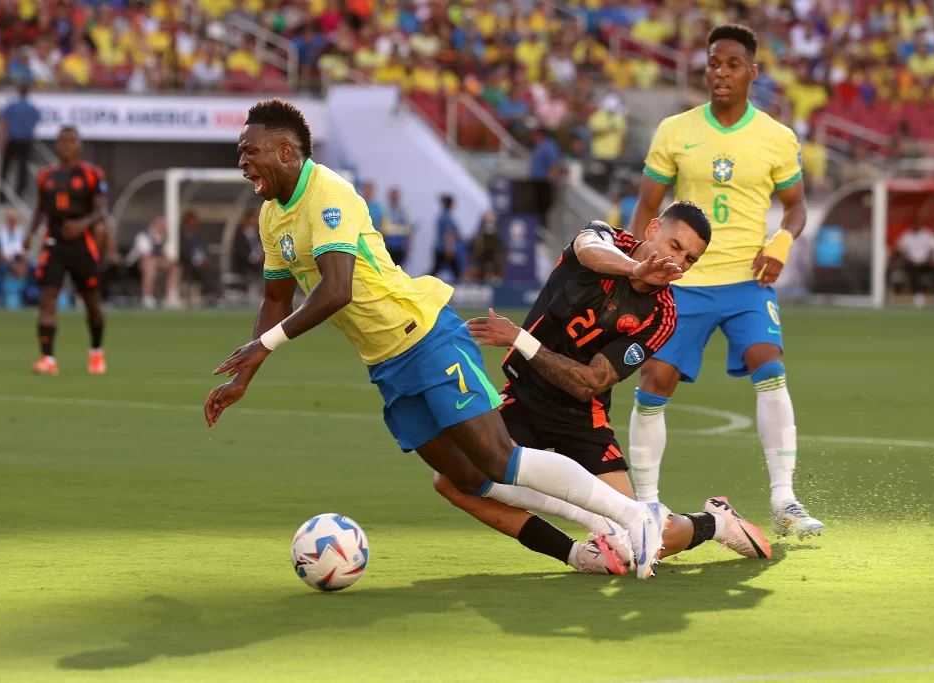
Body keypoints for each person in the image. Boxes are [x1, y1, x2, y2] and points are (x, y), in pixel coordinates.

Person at [204, 97, 685, 580]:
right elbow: (274, 301)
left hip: (425, 335)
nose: (242, 161)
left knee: (499, 458)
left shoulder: (329, 192)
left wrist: (263, 345)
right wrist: (246, 370)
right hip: (386, 363)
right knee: (464, 477)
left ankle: (632, 516)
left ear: (287, 152)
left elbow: (335, 290)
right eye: (241, 151)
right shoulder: (272, 218)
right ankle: (585, 549)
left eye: (251, 151)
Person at [439, 211, 771, 574]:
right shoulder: (604, 239)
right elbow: (587, 249)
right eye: (675, 246)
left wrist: (520, 338)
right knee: (454, 480)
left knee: (632, 542)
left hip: (580, 419)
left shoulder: (662, 316)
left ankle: (715, 522)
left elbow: (590, 383)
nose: (679, 261)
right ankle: (579, 555)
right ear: (654, 229)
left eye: (690, 258)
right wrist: (634, 270)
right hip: (522, 395)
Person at [626, 25, 823, 538]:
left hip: (746, 283)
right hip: (680, 283)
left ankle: (785, 500)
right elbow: (647, 205)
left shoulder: (777, 138)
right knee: (654, 382)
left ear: (752, 73)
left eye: (733, 64)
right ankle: (645, 507)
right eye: (714, 63)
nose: (721, 72)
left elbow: (796, 207)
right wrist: (634, 264)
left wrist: (781, 243)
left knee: (769, 363)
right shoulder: (675, 129)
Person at [25, 126, 117, 376]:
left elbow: (101, 211)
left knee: (92, 304)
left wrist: (81, 224)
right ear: (56, 145)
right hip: (53, 242)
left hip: (82, 244)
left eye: (71, 141)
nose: (66, 146)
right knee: (47, 299)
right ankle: (47, 359)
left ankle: (96, 351)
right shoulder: (46, 176)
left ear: (79, 145)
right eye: (62, 141)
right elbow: (40, 208)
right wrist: (29, 233)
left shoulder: (91, 174)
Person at [0, 85, 41, 202]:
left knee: (5, 168)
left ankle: (2, 194)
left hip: (13, 139)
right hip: (26, 141)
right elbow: (36, 121)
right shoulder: (32, 107)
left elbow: (4, 123)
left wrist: (1, 140)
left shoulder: (12, 106)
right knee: (23, 168)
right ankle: (20, 193)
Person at [128, 216, 180, 309]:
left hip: (155, 263)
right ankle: (147, 297)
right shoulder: (143, 235)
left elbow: (165, 256)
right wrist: (161, 261)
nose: (163, 228)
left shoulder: (164, 238)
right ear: (155, 225)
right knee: (149, 264)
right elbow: (146, 256)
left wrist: (167, 263)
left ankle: (168, 298)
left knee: (174, 266)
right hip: (134, 266)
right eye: (161, 226)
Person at [180, 211, 221, 305]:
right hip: (190, 265)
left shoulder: (198, 235)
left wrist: (205, 260)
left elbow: (203, 251)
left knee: (215, 270)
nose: (194, 224)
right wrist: (198, 262)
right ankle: (209, 294)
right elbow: (184, 254)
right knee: (205, 271)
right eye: (192, 221)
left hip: (202, 263)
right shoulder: (181, 236)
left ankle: (215, 294)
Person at [232, 209, 265, 296]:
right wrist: (256, 258)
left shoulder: (258, 232)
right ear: (246, 219)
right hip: (245, 264)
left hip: (261, 261)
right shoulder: (240, 234)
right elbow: (240, 252)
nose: (254, 221)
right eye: (252, 218)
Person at [430, 194, 461, 281]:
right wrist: (449, 249)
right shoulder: (447, 217)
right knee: (455, 271)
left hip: (440, 248)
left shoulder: (442, 216)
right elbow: (448, 234)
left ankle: (421, 284)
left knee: (436, 269)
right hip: (444, 249)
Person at [381, 186, 412, 267]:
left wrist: (408, 246)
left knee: (400, 269)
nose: (394, 197)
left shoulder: (404, 211)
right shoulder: (385, 210)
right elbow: (383, 229)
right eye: (392, 195)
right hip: (388, 246)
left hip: (400, 246)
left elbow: (408, 230)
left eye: (396, 195)